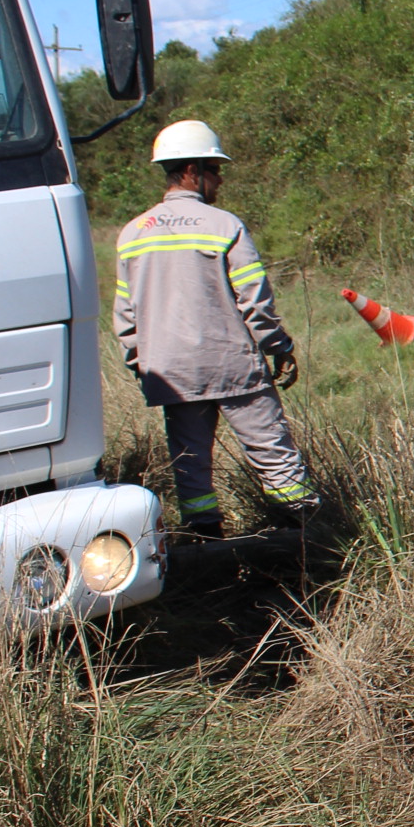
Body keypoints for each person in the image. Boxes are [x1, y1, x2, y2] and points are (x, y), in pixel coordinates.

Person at [113, 120, 321, 537]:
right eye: (215, 169)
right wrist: (278, 346)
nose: (220, 179)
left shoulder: (132, 234)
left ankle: (205, 543)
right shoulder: (225, 225)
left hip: (171, 373)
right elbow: (255, 300)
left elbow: (125, 316)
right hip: (232, 366)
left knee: (190, 466)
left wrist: (145, 366)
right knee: (274, 456)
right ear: (192, 170)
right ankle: (307, 536)